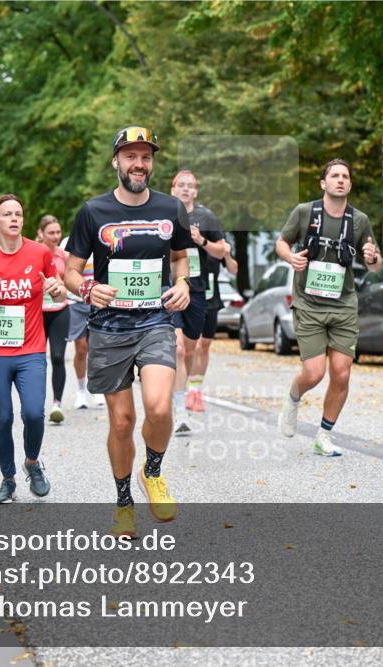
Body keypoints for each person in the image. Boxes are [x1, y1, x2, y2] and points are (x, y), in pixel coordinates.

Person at [64, 125, 192, 539]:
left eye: (146, 157)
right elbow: (68, 271)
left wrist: (184, 284)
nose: (139, 164)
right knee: (121, 422)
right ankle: (123, 503)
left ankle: (152, 471)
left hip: (155, 321)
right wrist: (87, 286)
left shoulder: (171, 208)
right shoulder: (92, 212)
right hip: (108, 328)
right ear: (116, 161)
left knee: (158, 407)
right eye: (131, 156)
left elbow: (179, 259)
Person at [276, 158, 381, 456]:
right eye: (334, 175)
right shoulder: (305, 212)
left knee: (342, 372)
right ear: (323, 183)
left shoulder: (359, 220)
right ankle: (293, 398)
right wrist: (290, 258)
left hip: (343, 304)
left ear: (349, 184)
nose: (340, 180)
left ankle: (324, 435)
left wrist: (371, 256)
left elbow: (375, 265)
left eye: (345, 176)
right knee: (313, 373)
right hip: (309, 303)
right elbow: (281, 243)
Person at [0, 194, 65, 503]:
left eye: (18, 214)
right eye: (7, 214)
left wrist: (56, 287)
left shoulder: (39, 254)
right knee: (3, 418)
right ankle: (7, 478)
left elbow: (59, 288)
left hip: (31, 348)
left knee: (34, 412)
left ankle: (32, 463)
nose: (14, 219)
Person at [170, 170, 228, 431]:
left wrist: (201, 240)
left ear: (196, 191)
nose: (185, 189)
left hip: (197, 290)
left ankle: (185, 390)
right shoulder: (164, 213)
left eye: (190, 186)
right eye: (180, 185)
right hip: (171, 288)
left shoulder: (206, 217)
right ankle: (179, 410)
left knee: (191, 350)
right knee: (178, 349)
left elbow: (222, 250)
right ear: (173, 189)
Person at [193, 238, 238, 406]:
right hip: (191, 300)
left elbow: (234, 270)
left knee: (204, 346)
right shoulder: (190, 246)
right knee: (193, 345)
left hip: (211, 301)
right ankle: (187, 388)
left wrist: (226, 255)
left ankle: (195, 388)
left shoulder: (216, 248)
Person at [36, 215, 71, 424]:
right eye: (51, 233)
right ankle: (35, 403)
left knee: (58, 357)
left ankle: (57, 403)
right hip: (36, 313)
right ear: (41, 234)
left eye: (58, 232)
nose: (56, 237)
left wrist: (60, 288)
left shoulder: (63, 255)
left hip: (59, 310)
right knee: (37, 360)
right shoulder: (32, 253)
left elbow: (69, 284)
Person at [62, 240, 105, 409]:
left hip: (99, 301)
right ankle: (81, 391)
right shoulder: (67, 242)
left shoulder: (104, 237)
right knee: (81, 347)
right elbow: (65, 271)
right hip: (76, 302)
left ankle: (97, 388)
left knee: (98, 347)